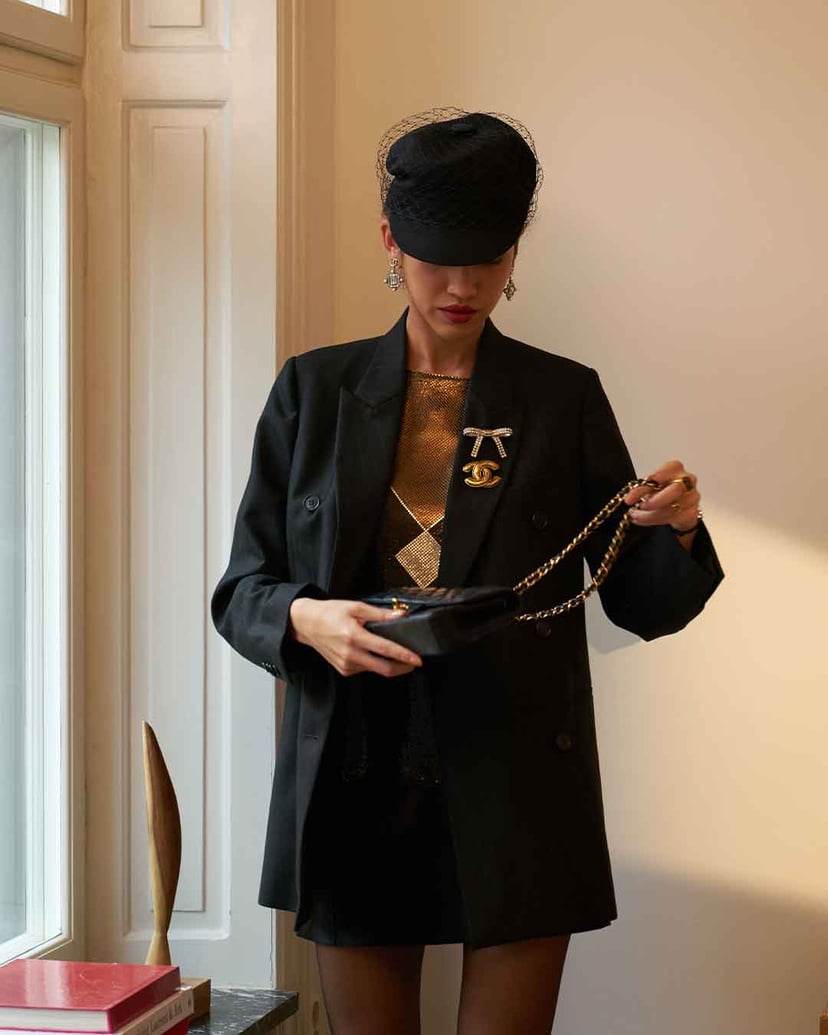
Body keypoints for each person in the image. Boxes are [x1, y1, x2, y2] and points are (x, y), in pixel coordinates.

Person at [211, 108, 723, 1035]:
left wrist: (676, 529)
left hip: (517, 777)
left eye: (486, 257)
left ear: (515, 249)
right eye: (436, 255)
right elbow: (242, 588)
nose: (461, 283)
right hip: (354, 779)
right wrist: (307, 620)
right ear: (390, 242)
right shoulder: (313, 392)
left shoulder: (562, 396)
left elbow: (639, 602)